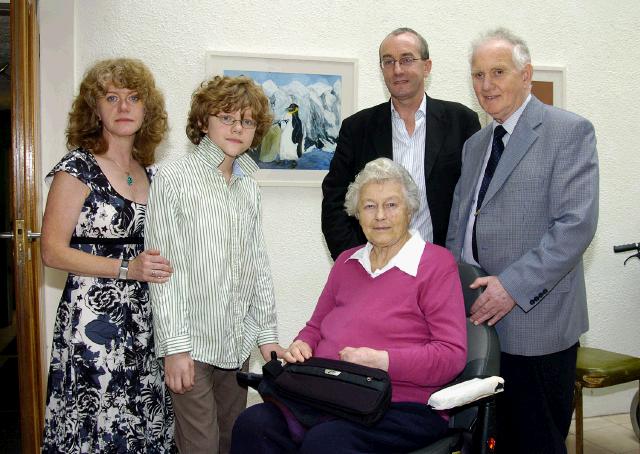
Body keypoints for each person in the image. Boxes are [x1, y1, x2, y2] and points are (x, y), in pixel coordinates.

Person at [232, 157, 467, 453]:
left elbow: (451, 356)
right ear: (357, 214)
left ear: (410, 209)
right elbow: (315, 327)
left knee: (327, 443)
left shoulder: (435, 264)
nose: (380, 215)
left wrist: (383, 361)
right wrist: (301, 345)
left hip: (401, 404)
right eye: (369, 206)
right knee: (253, 423)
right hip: (331, 396)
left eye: (391, 205)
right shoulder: (346, 262)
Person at [446, 28, 598, 454]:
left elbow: (575, 226)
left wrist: (510, 287)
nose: (486, 84)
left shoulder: (568, 131)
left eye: (497, 71)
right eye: (477, 75)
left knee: (537, 442)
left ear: (526, 74)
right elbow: (461, 225)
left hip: (537, 325)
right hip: (478, 324)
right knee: (488, 440)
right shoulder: (476, 144)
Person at [41, 58, 175, 453]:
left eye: (133, 97)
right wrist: (125, 268)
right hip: (92, 321)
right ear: (94, 108)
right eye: (111, 97)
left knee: (140, 416)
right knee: (96, 418)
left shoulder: (149, 171)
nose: (123, 107)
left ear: (146, 108)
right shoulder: (76, 168)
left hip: (146, 316)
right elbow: (50, 251)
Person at [145, 75, 283, 454]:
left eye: (249, 121)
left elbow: (258, 262)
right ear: (204, 120)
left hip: (236, 343)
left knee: (231, 442)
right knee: (200, 446)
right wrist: (174, 347)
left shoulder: (248, 186)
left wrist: (266, 335)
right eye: (227, 117)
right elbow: (162, 273)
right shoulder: (172, 178)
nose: (238, 128)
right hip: (191, 345)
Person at [321, 27, 481, 260]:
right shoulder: (357, 128)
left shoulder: (461, 122)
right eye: (388, 62)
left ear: (427, 67)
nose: (397, 70)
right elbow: (334, 202)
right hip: (375, 269)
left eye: (406, 60)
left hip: (440, 266)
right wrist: (357, 261)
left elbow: (475, 200)